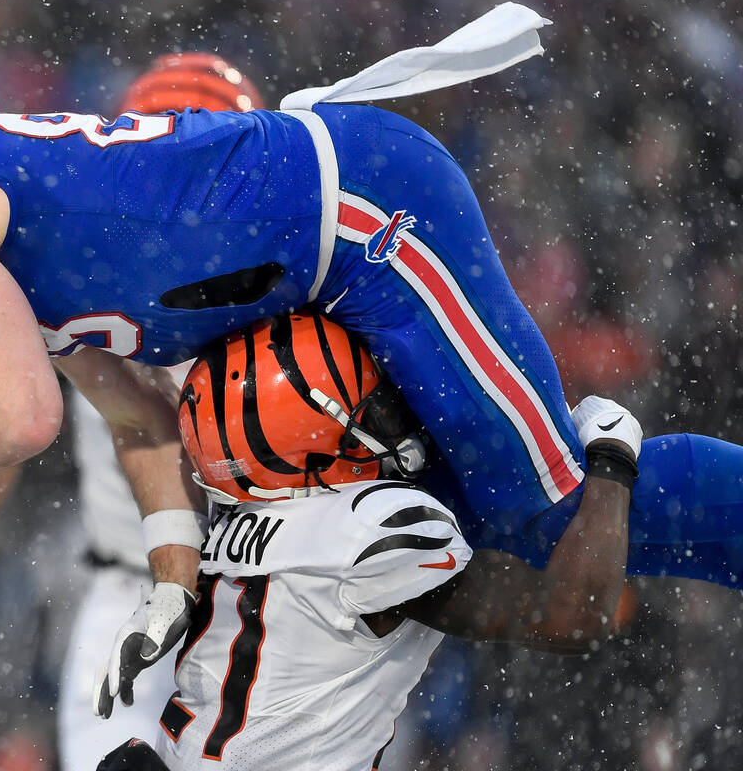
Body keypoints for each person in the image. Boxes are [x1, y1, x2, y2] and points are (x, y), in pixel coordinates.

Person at [0, 4, 743, 720]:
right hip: (332, 253)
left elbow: (20, 414)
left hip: (364, 222)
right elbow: (131, 415)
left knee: (546, 516)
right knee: (498, 525)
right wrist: (174, 585)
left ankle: (633, 458)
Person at [0, 53, 266, 770]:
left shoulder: (301, 278)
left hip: (272, 596)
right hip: (142, 593)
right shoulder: (74, 266)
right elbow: (5, 425)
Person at [97, 312, 641, 770]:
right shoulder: (369, 528)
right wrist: (612, 464)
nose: (392, 412)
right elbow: (576, 616)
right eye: (371, 404)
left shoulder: (232, 511)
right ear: (309, 439)